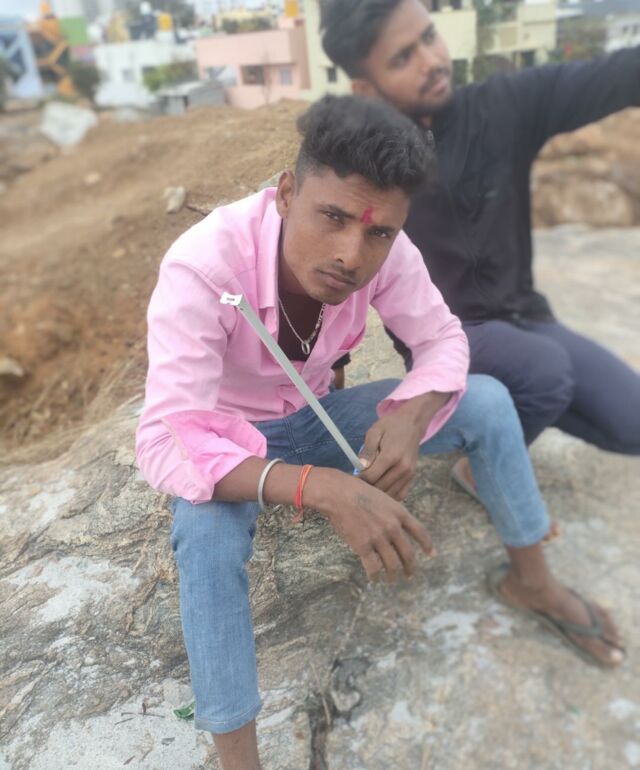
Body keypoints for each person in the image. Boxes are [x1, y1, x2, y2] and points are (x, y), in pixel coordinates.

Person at [136, 95, 623, 770]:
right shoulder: (203, 266)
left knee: (485, 400)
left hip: (318, 416)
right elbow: (166, 442)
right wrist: (322, 488)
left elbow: (443, 339)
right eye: (332, 217)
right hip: (230, 443)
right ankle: (239, 760)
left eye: (378, 233)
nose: (350, 255)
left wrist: (410, 416)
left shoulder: (386, 248)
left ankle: (532, 580)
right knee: (205, 541)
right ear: (286, 193)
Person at [321, 0, 640, 498]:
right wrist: (333, 365)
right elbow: (338, 261)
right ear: (366, 88)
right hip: (444, 337)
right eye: (403, 58)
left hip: (526, 315)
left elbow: (615, 75)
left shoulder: (503, 105)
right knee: (547, 370)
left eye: (429, 37)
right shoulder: (367, 163)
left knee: (631, 423)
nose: (431, 60)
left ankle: (517, 399)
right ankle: (478, 467)